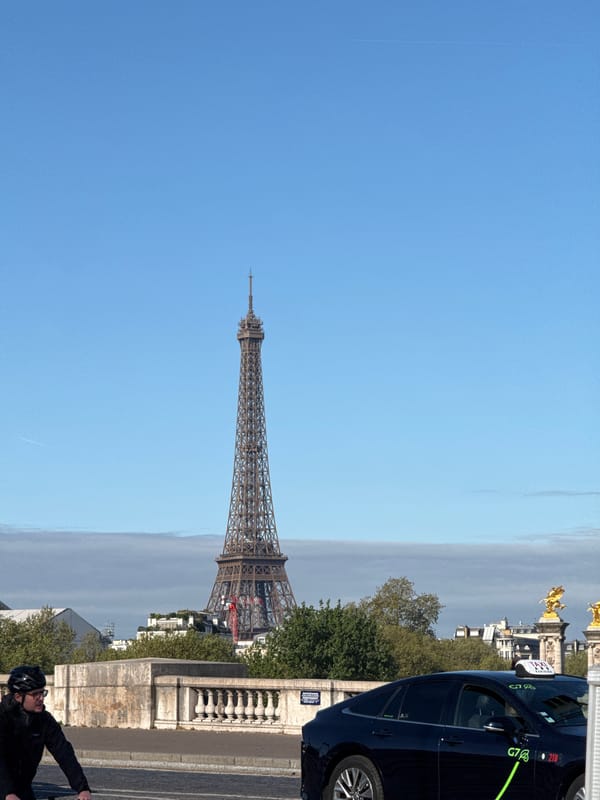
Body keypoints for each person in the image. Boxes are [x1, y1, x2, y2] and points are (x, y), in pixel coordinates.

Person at [0, 665, 91, 800]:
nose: (40, 698)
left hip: (22, 788)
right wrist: (7, 793)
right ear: (19, 697)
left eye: (42, 693)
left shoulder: (44, 720)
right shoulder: (3, 718)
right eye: (35, 694)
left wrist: (82, 788)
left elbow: (64, 753)